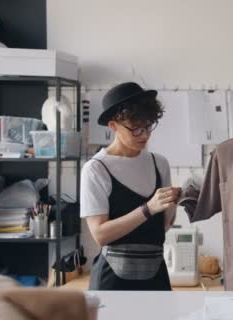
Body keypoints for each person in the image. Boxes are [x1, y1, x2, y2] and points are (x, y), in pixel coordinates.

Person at [80, 82, 181, 290]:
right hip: (113, 281)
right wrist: (148, 208)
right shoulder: (96, 169)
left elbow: (163, 227)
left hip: (155, 275)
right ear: (113, 125)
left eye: (148, 126)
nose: (144, 135)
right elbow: (100, 235)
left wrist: (173, 202)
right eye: (135, 129)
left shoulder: (158, 163)